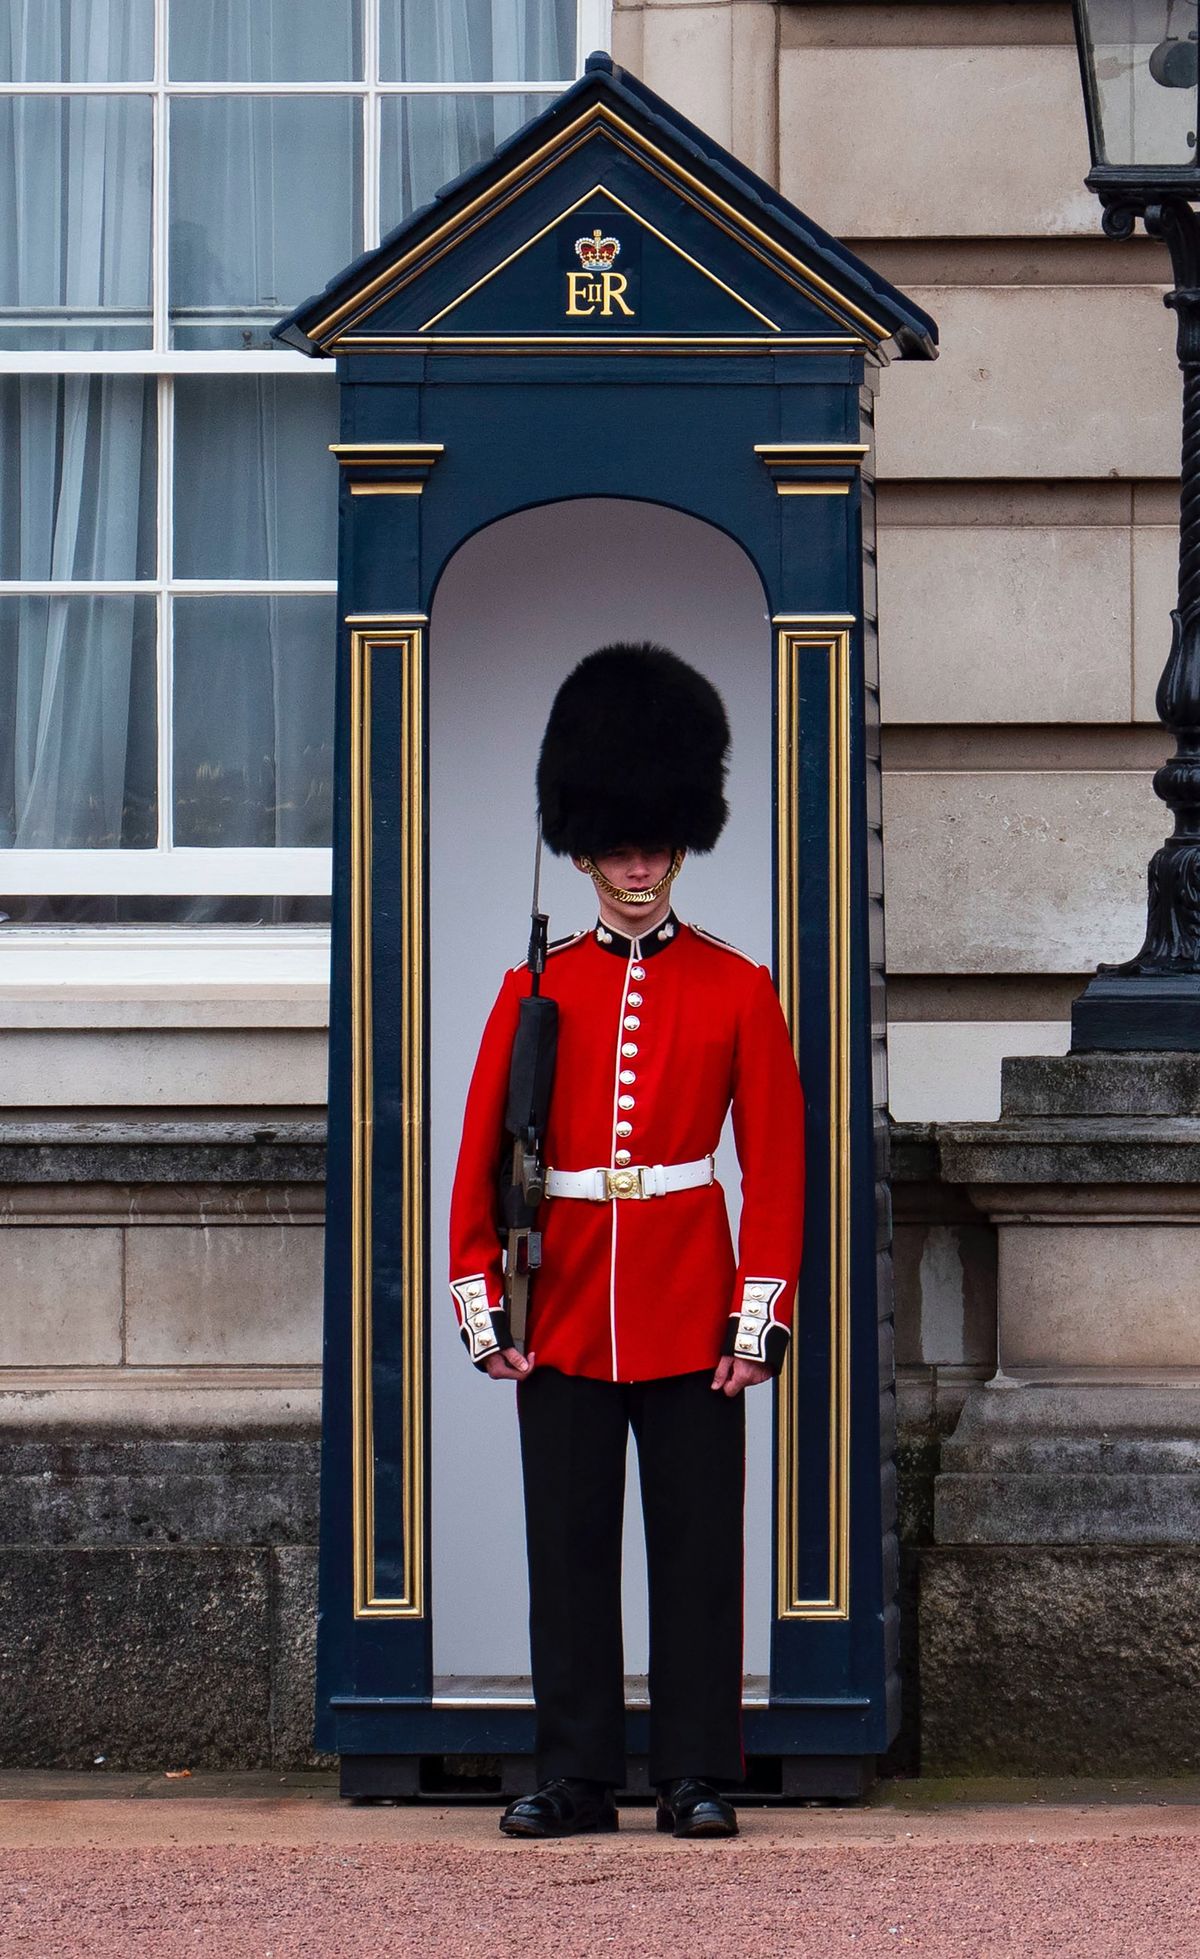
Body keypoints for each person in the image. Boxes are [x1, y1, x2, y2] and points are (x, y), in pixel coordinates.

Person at [449, 642, 805, 1840]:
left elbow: (778, 1168)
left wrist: (756, 1318)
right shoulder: (531, 988)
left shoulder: (737, 986)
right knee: (570, 1556)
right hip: (561, 1306)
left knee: (700, 1555)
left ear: (679, 843)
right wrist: (482, 1310)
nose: (639, 868)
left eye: (655, 846)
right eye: (618, 847)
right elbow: (482, 1160)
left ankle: (698, 1770)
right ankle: (578, 1774)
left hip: (691, 1300)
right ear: (585, 848)